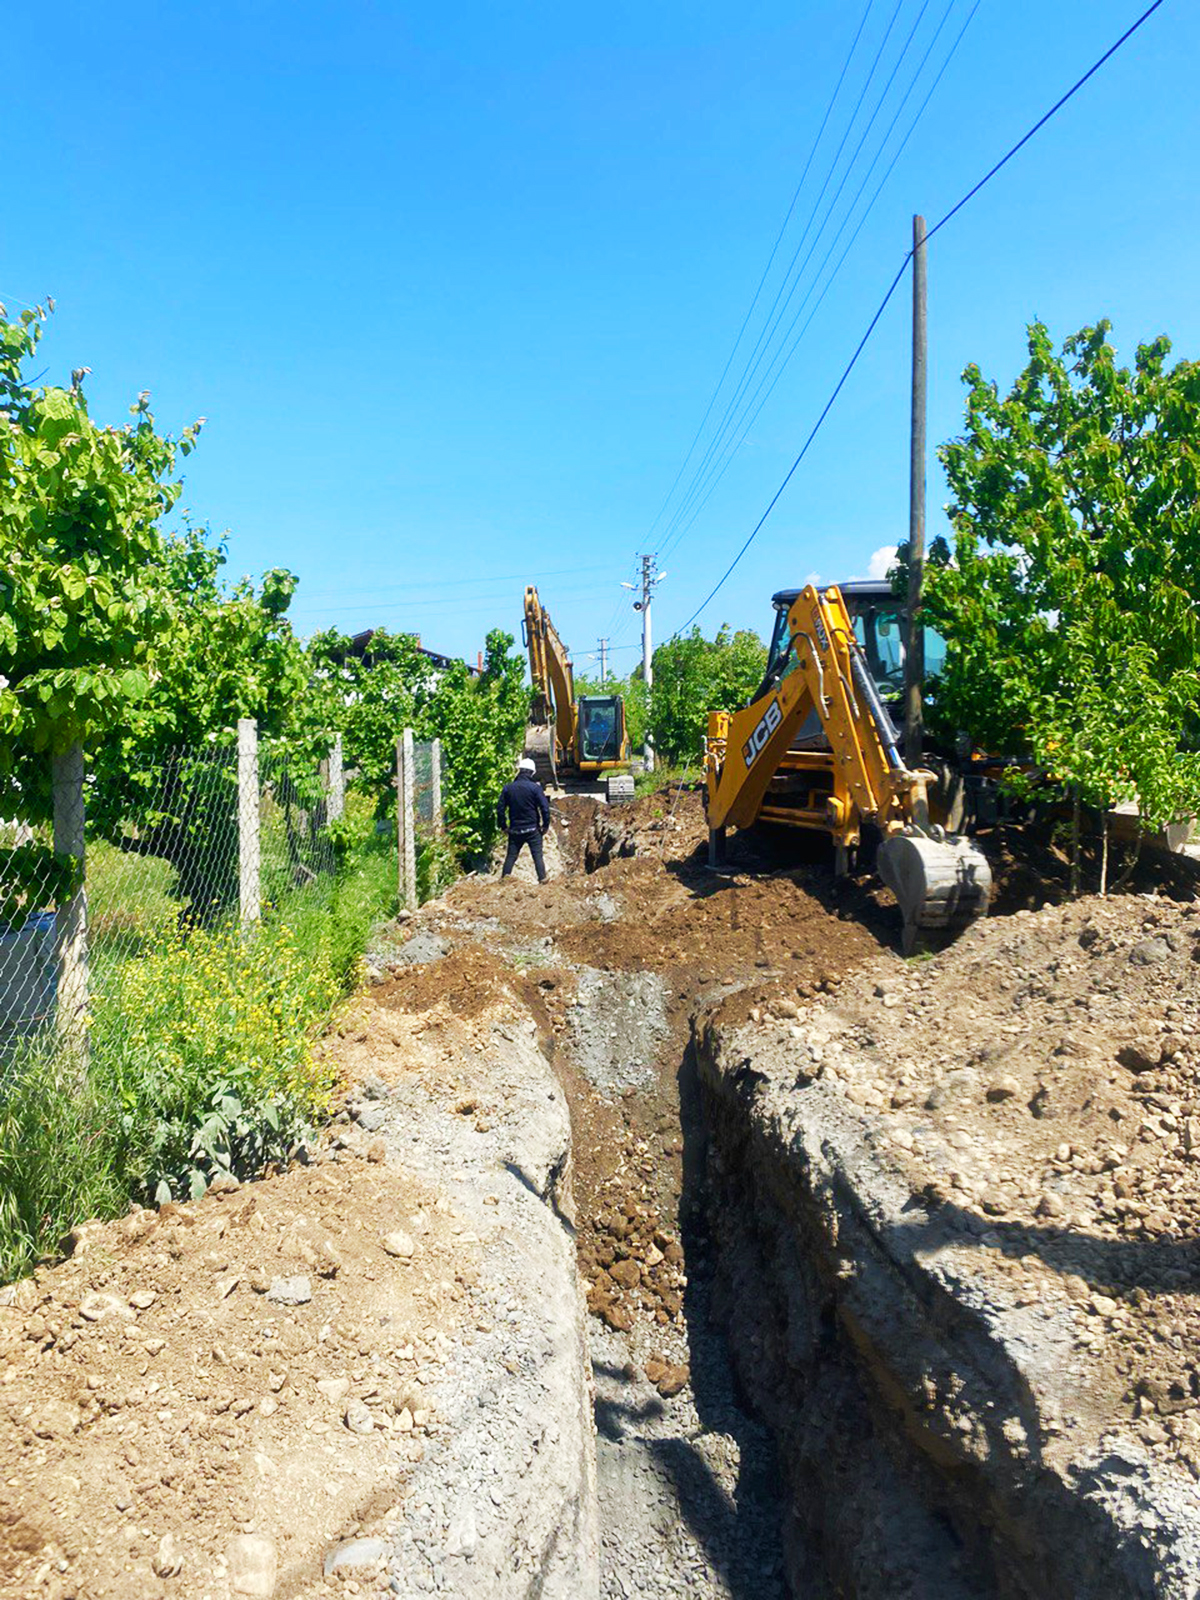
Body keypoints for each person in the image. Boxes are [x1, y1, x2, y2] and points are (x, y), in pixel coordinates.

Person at [497, 757, 551, 883]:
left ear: (520, 770)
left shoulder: (508, 788)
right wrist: (545, 825)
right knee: (537, 856)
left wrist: (503, 826)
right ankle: (543, 880)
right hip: (533, 830)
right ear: (532, 772)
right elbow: (545, 808)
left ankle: (504, 880)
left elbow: (500, 809)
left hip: (515, 830)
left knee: (510, 856)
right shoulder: (535, 788)